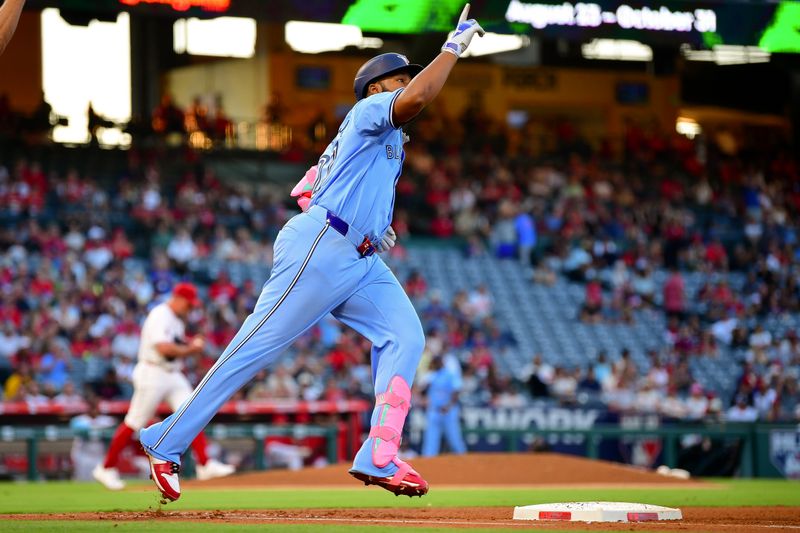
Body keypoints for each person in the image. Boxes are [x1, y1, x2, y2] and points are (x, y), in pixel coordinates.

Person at [139, 4, 485, 502]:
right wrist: (451, 48)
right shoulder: (370, 111)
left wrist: (376, 227)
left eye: (409, 78)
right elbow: (417, 100)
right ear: (374, 87)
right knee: (255, 347)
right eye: (399, 79)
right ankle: (166, 440)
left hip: (360, 258)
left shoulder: (390, 143)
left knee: (405, 335)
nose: (408, 85)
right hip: (323, 245)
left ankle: (379, 454)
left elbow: (323, 182)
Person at [93, 283, 234, 491]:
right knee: (134, 422)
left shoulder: (175, 320)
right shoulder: (160, 314)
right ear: (177, 298)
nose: (190, 309)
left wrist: (189, 343)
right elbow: (164, 348)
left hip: (172, 374)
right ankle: (106, 467)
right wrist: (191, 349)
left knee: (193, 413)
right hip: (153, 371)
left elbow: (174, 343)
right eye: (188, 304)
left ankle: (205, 464)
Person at [421, 356, 467, 457]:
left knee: (454, 439)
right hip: (434, 411)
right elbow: (423, 390)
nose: (434, 364)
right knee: (431, 441)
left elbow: (456, 391)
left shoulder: (450, 375)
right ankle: (428, 464)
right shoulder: (432, 375)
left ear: (441, 363)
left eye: (436, 362)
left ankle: (463, 460)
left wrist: (448, 406)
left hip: (448, 411)